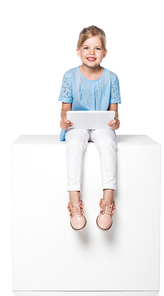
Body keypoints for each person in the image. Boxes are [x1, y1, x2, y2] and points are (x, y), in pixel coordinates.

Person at [58, 25, 121, 231]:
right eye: (86, 48)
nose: (91, 53)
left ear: (105, 52)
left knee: (109, 144)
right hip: (78, 126)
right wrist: (64, 122)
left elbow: (114, 114)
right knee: (74, 144)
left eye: (97, 48)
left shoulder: (112, 78)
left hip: (101, 126)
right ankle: (75, 205)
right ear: (78, 51)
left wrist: (115, 123)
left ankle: (108, 203)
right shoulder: (69, 76)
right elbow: (65, 110)